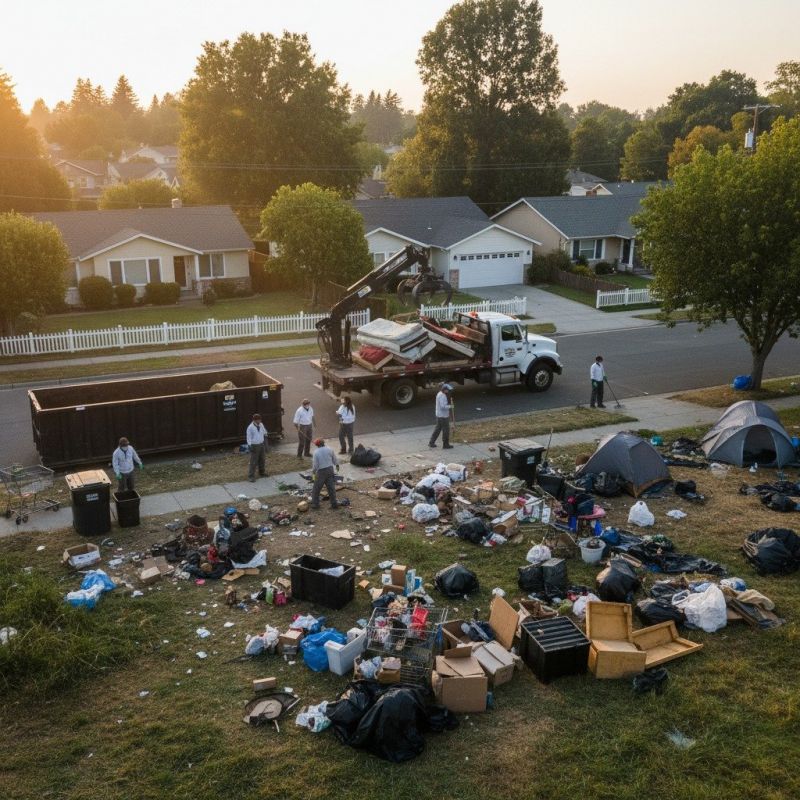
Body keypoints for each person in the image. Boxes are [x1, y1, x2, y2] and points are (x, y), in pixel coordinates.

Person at [310, 438, 339, 510]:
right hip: (330, 470)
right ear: (323, 443)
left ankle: (315, 504)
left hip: (321, 472)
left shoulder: (316, 452)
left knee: (316, 489)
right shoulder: (329, 449)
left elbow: (315, 465)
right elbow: (334, 459)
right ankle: (334, 504)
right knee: (331, 488)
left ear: (317, 445)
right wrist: (337, 465)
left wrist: (313, 472)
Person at [429, 383, 454, 449]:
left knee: (438, 429)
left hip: (440, 415)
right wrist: (450, 406)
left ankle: (431, 442)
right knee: (446, 430)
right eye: (448, 390)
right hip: (443, 416)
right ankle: (445, 444)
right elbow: (443, 406)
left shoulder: (440, 394)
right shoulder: (442, 396)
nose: (449, 391)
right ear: (444, 389)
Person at [246, 413, 267, 482]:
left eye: (260, 420)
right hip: (255, 445)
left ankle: (262, 472)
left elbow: (264, 432)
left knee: (262, 459)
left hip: (261, 444)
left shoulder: (261, 425)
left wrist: (265, 437)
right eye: (258, 420)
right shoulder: (250, 427)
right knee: (253, 461)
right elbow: (248, 437)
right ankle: (251, 476)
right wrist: (249, 445)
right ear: (254, 420)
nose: (259, 421)